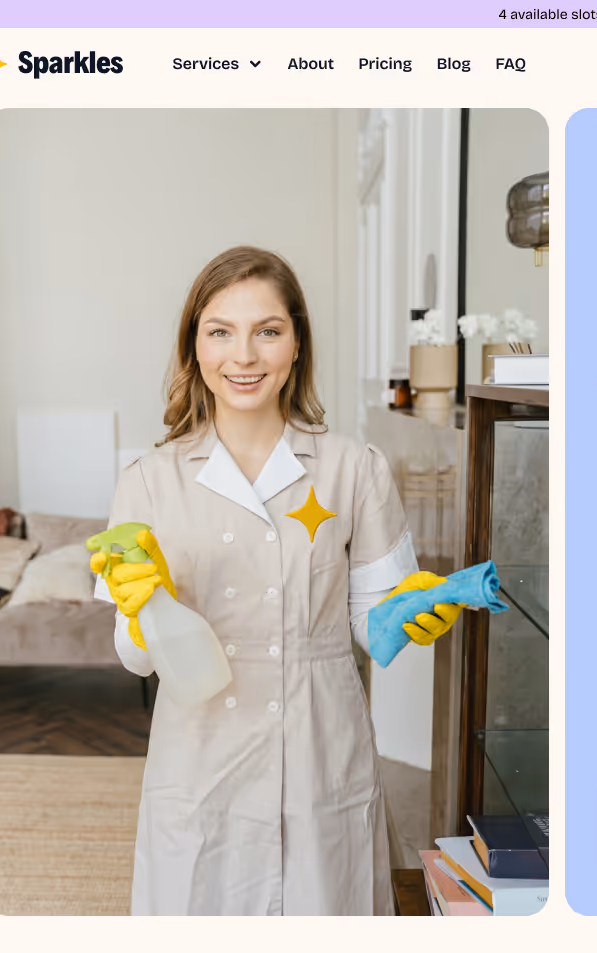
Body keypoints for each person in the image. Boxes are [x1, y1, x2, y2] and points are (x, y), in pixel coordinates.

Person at [91, 245, 458, 916]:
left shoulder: (354, 469)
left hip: (323, 753)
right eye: (220, 332)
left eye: (268, 331)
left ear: (296, 345)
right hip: (199, 760)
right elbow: (135, 659)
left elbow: (376, 631)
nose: (245, 356)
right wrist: (144, 613)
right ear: (194, 348)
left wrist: (410, 613)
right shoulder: (148, 482)